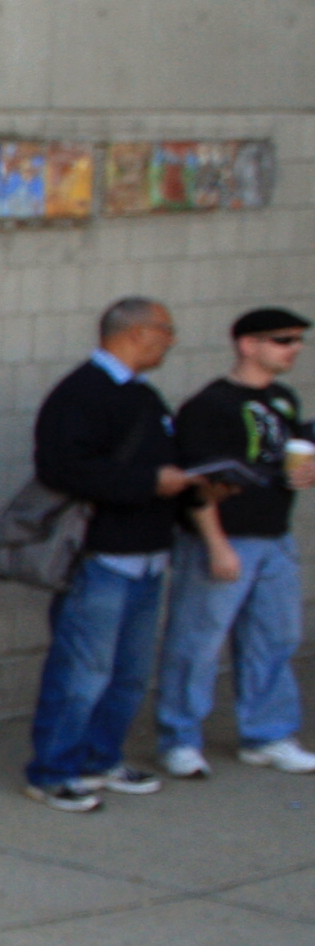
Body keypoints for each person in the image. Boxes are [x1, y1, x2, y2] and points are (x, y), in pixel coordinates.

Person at [22, 297, 211, 812]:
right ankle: (53, 770)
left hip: (149, 556)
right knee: (83, 671)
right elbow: (63, 467)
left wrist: (195, 486)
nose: (172, 341)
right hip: (101, 558)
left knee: (128, 673)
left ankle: (99, 758)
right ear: (136, 333)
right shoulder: (82, 394)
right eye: (166, 331)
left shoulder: (143, 396)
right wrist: (151, 481)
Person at [158, 306, 315, 778]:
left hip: (273, 536)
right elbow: (197, 483)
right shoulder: (210, 406)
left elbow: (283, 460)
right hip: (225, 538)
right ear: (248, 344)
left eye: (297, 340)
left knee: (275, 636)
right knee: (198, 641)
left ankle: (267, 734)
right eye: (282, 340)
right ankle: (179, 738)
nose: (294, 349)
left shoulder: (283, 399)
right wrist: (217, 544)